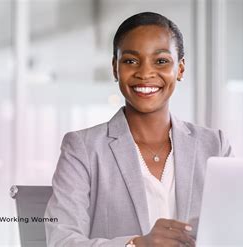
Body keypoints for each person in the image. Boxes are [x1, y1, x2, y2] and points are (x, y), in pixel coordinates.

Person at [44, 12, 233, 247]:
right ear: (115, 68)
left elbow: (237, 229)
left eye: (161, 61)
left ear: (180, 69)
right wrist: (138, 244)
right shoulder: (82, 148)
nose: (145, 73)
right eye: (131, 61)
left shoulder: (214, 145)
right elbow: (61, 240)